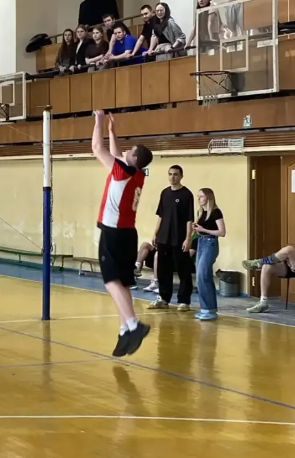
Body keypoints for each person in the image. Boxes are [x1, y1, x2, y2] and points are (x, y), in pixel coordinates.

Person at [92, 110, 153, 356]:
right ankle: (124, 329)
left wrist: (98, 120)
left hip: (113, 232)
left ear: (134, 157)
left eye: (130, 150)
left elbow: (97, 148)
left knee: (110, 281)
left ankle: (134, 325)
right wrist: (112, 131)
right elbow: (118, 155)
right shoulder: (137, 174)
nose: (125, 151)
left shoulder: (122, 171)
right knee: (123, 282)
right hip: (129, 233)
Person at [150, 165, 194, 311]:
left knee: (183, 270)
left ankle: (184, 301)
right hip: (164, 238)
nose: (172, 177)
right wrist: (155, 233)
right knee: (163, 270)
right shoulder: (164, 193)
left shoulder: (187, 194)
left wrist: (188, 238)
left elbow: (189, 219)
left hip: (179, 238)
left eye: (175, 174)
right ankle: (163, 298)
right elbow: (161, 215)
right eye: (170, 174)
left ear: (181, 176)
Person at [193, 188, 226, 321]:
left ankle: (209, 309)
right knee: (201, 276)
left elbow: (222, 232)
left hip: (210, 244)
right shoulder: (201, 212)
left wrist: (204, 229)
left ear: (208, 197)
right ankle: (206, 309)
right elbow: (201, 230)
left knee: (202, 275)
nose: (198, 199)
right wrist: (197, 230)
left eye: (201, 196)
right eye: (198, 196)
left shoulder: (216, 212)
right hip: (201, 243)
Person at [243, 245, 295, 314]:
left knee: (289, 249)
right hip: (290, 266)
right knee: (266, 266)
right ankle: (263, 302)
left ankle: (260, 262)